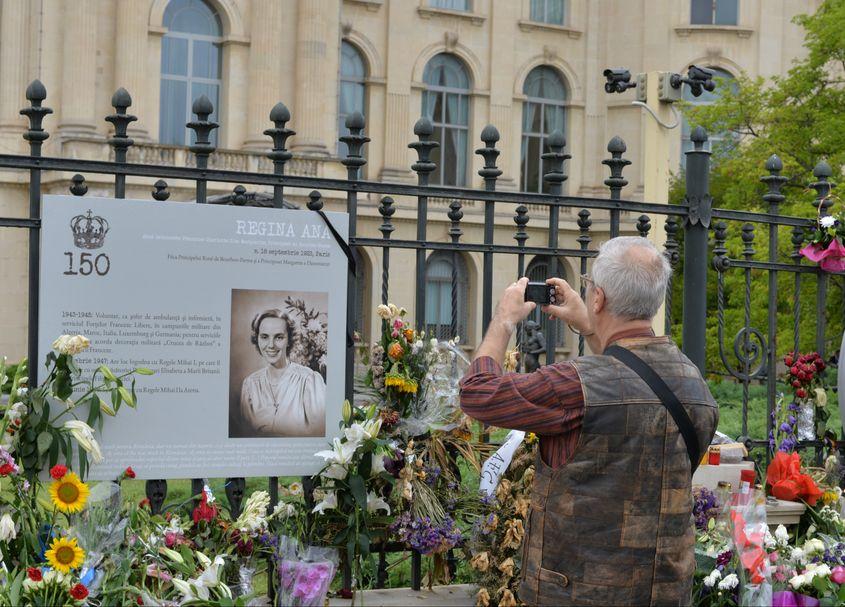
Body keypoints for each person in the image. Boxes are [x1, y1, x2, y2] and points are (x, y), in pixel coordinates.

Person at [460, 237, 718, 606]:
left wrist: (503, 320)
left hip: (576, 591)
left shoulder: (573, 385)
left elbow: (478, 392)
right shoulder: (693, 383)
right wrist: (589, 325)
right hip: (665, 592)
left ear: (598, 298)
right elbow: (628, 379)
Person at [240, 309, 326, 437]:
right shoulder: (250, 385)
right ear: (257, 339)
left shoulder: (308, 380)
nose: (271, 345)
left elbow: (321, 435)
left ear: (289, 340)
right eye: (264, 337)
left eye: (279, 337)